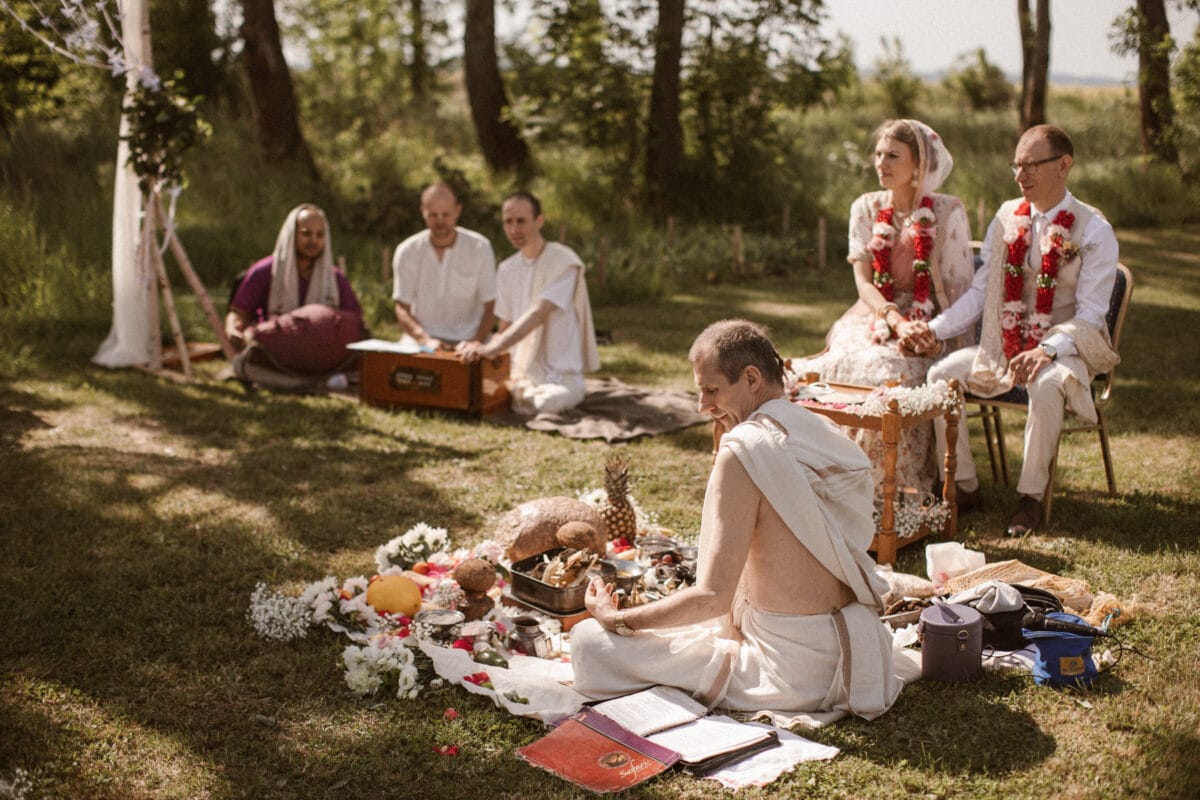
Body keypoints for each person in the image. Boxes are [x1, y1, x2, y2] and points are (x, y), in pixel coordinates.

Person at [571, 320, 905, 723]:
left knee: (588, 642)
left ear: (751, 378)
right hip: (852, 647)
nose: (703, 407)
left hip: (788, 671)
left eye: (711, 390)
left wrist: (618, 619)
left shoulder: (745, 452)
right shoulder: (825, 431)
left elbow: (712, 599)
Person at [904, 124, 1120, 535]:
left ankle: (1031, 498)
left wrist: (1048, 350)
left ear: (1064, 165)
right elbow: (981, 294)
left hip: (1067, 348)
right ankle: (964, 485)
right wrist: (934, 328)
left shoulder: (1094, 230)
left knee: (1045, 382)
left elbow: (1093, 313)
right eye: (1016, 166)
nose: (1021, 176)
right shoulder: (1006, 218)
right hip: (1004, 346)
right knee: (941, 375)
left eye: (1031, 165)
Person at [792, 119, 975, 499]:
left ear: (919, 166)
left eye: (893, 155)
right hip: (876, 310)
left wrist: (931, 334)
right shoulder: (865, 207)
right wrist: (892, 317)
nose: (881, 163)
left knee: (888, 371)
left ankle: (886, 486)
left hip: (932, 320)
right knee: (837, 364)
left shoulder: (947, 211)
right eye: (878, 154)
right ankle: (828, 477)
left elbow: (961, 292)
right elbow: (864, 283)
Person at [458, 191, 600, 415]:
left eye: (521, 221)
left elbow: (539, 312)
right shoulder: (506, 268)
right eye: (508, 222)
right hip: (520, 370)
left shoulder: (564, 261)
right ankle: (518, 392)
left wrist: (494, 348)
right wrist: (480, 347)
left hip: (560, 375)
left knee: (545, 404)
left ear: (539, 221)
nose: (514, 230)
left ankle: (523, 395)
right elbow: (503, 328)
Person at [225, 203, 367, 390]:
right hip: (277, 356)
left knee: (363, 363)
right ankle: (314, 383)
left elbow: (353, 321)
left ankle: (305, 382)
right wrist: (233, 329)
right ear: (292, 234)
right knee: (248, 364)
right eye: (306, 233)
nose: (313, 241)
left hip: (322, 359)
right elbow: (238, 313)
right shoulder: (264, 271)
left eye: (319, 235)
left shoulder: (335, 278)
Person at [391, 182, 497, 351]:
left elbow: (492, 305)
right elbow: (401, 307)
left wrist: (475, 341)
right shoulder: (407, 251)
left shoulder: (480, 248)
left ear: (457, 211)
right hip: (421, 340)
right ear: (423, 212)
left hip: (471, 339)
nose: (440, 221)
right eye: (433, 215)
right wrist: (425, 340)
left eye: (446, 214)